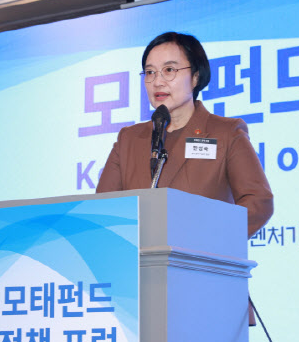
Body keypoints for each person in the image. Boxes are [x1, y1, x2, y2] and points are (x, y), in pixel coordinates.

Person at [96, 32, 273, 238]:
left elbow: (258, 202)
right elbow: (102, 212)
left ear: (195, 77)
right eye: (150, 72)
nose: (157, 81)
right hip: (137, 257)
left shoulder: (225, 133)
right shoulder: (129, 139)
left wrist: (209, 239)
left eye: (169, 70)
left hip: (201, 255)